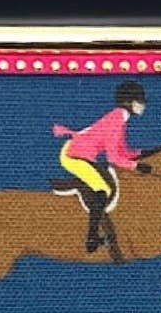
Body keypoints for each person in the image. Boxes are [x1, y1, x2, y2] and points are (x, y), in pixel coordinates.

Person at [53, 80, 151, 254]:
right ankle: (92, 238)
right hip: (73, 156)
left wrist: (141, 154)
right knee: (103, 189)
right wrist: (135, 166)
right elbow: (113, 158)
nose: (143, 105)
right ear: (129, 102)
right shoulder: (116, 119)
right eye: (140, 101)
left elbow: (121, 150)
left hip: (81, 153)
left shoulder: (120, 117)